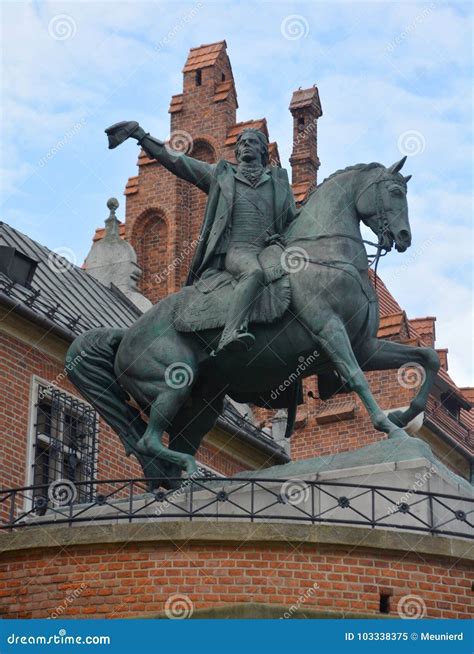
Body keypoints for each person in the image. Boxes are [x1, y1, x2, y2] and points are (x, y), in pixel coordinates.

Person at [105, 121, 296, 355]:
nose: (246, 145)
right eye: (242, 142)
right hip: (238, 251)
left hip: (269, 250)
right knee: (253, 273)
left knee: (308, 280)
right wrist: (141, 136)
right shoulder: (223, 176)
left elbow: (293, 221)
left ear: (263, 150)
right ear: (236, 151)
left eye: (252, 142)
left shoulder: (278, 183)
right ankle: (230, 333)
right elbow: (179, 162)